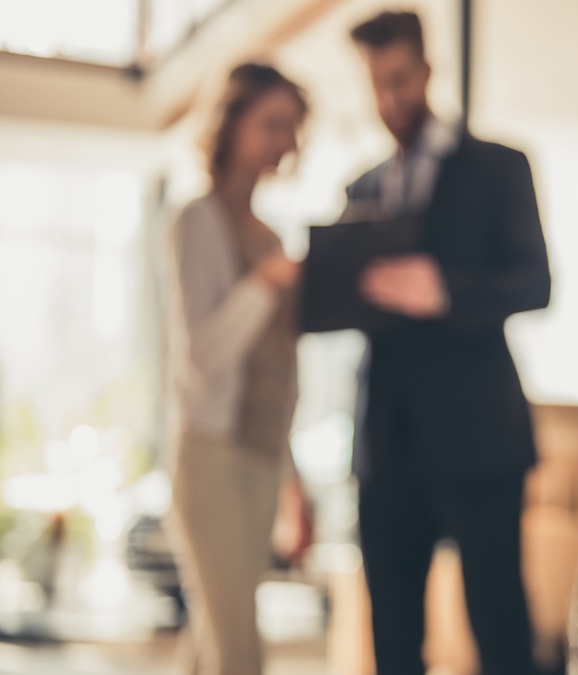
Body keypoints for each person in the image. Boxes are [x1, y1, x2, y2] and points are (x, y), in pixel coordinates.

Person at [341, 10, 551, 675]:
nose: (389, 99)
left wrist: (446, 291)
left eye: (400, 79)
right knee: (395, 641)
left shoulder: (500, 166)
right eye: (376, 84)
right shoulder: (361, 189)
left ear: (428, 72)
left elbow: (536, 284)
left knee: (499, 628)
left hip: (481, 443)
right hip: (388, 451)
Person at [164, 63, 313, 675]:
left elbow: (277, 373)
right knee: (239, 653)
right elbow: (202, 356)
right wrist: (264, 284)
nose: (285, 142)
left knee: (212, 645)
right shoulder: (197, 221)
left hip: (260, 455)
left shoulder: (271, 236)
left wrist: (291, 480)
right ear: (231, 125)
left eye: (293, 128)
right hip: (212, 457)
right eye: (273, 124)